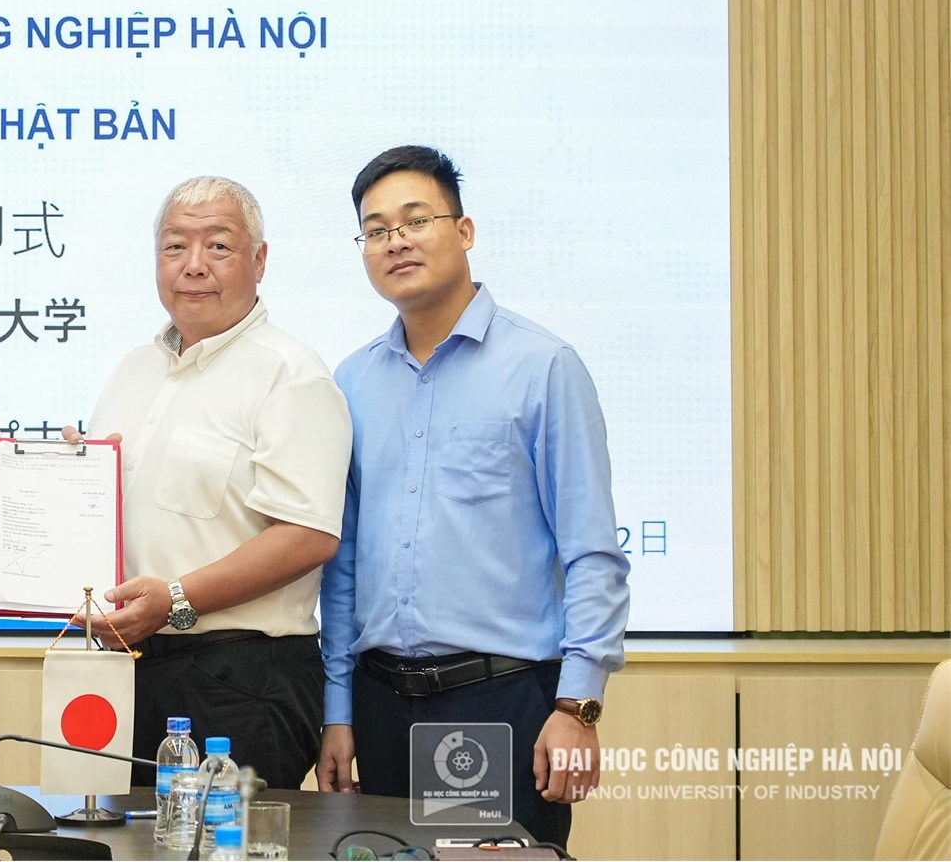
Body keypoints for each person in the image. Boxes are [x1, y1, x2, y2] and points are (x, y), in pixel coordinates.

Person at [317, 146, 630, 849]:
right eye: (375, 229)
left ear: (463, 231)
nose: (395, 241)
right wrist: (338, 710)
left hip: (496, 701)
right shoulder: (352, 381)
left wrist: (577, 707)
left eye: (415, 220)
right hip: (379, 704)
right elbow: (342, 566)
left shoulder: (542, 367)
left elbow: (591, 552)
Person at [77, 176, 352, 789]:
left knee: (225, 841)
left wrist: (175, 599)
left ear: (260, 260)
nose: (194, 265)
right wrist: (71, 480)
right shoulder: (133, 370)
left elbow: (308, 534)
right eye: (175, 246)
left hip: (242, 678)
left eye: (218, 246)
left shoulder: (291, 375)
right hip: (133, 667)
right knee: (135, 839)